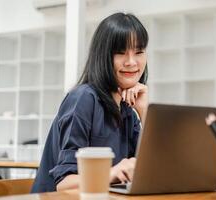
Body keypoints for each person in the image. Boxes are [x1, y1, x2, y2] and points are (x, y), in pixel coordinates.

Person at [31, 12, 149, 193]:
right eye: (120, 53)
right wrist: (114, 172)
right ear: (103, 56)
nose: (132, 62)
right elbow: (64, 183)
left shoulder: (128, 111)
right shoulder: (83, 99)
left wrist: (145, 111)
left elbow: (150, 171)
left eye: (139, 52)